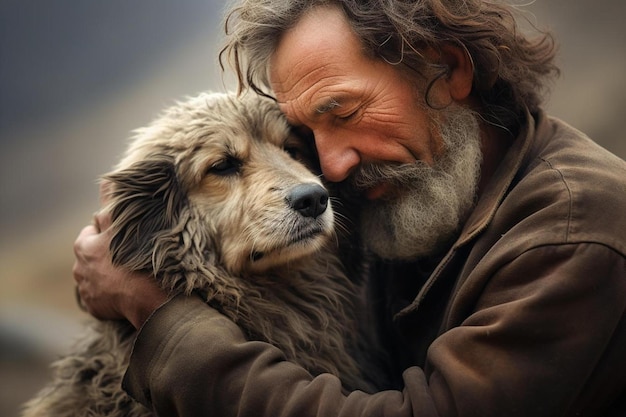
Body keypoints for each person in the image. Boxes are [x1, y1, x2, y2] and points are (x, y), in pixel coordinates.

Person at [73, 1, 626, 416]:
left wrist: (163, 322)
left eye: (344, 112)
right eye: (307, 136)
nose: (328, 171)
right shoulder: (410, 189)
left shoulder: (573, 230)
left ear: (449, 71)